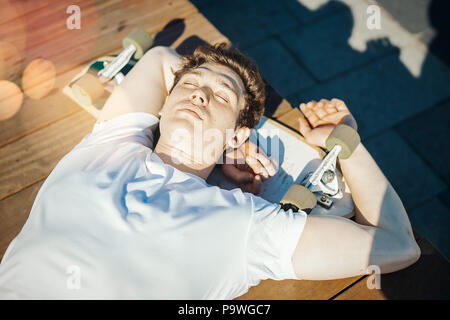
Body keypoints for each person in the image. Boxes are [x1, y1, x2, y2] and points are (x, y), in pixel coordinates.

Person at [0, 43, 420, 299]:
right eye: (191, 84)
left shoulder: (245, 227)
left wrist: (347, 143)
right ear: (163, 104)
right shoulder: (113, 141)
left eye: (221, 95)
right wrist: (220, 142)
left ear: (238, 132)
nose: (200, 93)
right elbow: (161, 59)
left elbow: (399, 246)